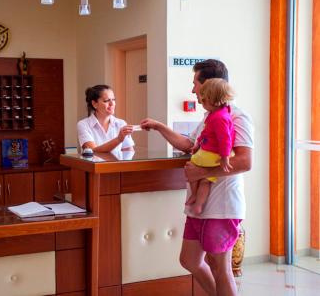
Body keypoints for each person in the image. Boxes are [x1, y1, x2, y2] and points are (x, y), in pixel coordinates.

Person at [140, 59, 253, 296]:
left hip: (222, 207)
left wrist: (202, 172)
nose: (193, 89)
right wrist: (160, 127)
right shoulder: (209, 115)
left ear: (209, 84)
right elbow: (190, 145)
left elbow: (244, 161)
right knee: (189, 260)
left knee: (221, 269)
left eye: (195, 83)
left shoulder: (236, 117)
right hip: (202, 208)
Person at [186, 78, 235, 215]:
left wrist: (225, 157)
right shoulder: (217, 114)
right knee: (205, 182)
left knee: (191, 168)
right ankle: (199, 204)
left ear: (214, 100)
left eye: (204, 100)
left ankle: (194, 195)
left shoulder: (219, 118)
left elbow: (225, 139)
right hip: (214, 155)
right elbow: (205, 133)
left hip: (212, 155)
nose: (202, 103)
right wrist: (197, 145)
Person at [77, 85, 134, 155]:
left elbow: (128, 152)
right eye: (107, 101)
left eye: (113, 100)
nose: (112, 103)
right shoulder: (83, 124)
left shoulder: (121, 123)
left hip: (117, 165)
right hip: (95, 166)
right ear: (94, 104)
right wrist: (118, 139)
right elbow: (93, 151)